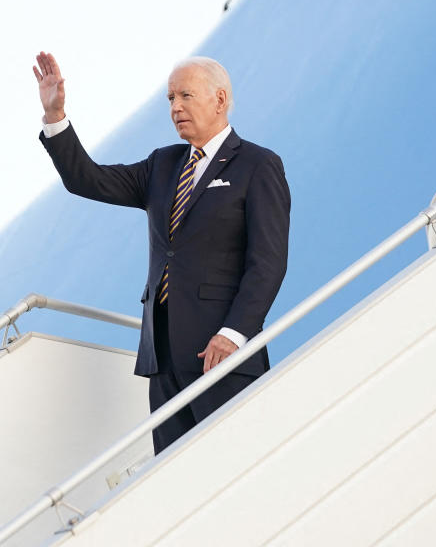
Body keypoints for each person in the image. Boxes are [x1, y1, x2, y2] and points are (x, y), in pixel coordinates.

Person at [33, 51, 291, 454]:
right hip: (163, 357)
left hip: (222, 354)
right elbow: (88, 179)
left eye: (185, 96)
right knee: (172, 477)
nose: (175, 108)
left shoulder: (258, 165)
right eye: (170, 99)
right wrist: (56, 117)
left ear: (219, 100)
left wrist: (234, 333)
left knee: (232, 463)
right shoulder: (163, 165)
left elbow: (268, 262)